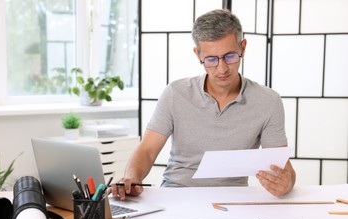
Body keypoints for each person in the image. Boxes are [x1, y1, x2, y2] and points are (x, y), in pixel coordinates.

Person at [111, 9, 296, 200]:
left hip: (233, 200)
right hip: (176, 195)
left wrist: (287, 182)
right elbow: (147, 151)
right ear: (198, 55)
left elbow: (283, 167)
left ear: (243, 48)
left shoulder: (268, 101)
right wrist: (131, 177)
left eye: (230, 56)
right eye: (211, 60)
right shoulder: (176, 93)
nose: (222, 69)